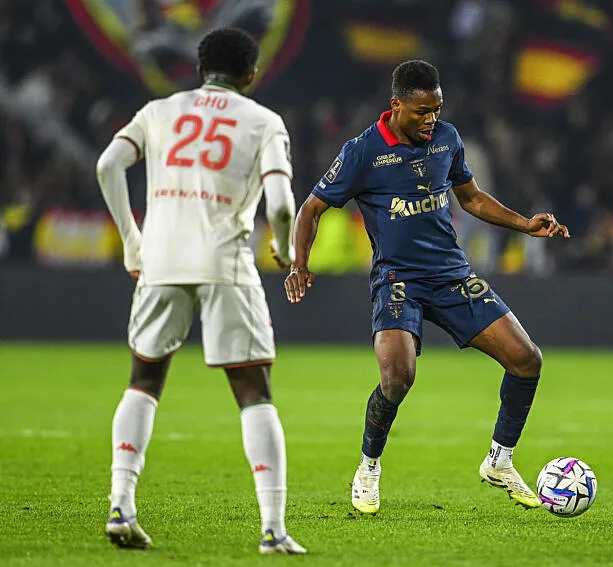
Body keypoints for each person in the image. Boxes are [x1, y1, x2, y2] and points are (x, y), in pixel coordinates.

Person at [285, 60, 570, 514]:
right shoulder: (363, 151)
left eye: (436, 109)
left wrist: (524, 225)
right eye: (422, 111)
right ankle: (368, 466)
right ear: (396, 105)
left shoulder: (446, 139)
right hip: (398, 279)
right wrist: (300, 264)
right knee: (398, 378)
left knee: (526, 359)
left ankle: (499, 460)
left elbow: (471, 198)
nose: (430, 119)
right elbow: (311, 209)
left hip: (451, 275)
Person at [95, 27, 305, 554]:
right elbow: (282, 204)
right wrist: (285, 248)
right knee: (254, 391)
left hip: (161, 258)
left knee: (144, 380)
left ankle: (121, 504)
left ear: (199, 69)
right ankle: (273, 529)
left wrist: (132, 241)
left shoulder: (159, 110)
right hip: (224, 260)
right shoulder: (263, 121)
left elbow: (108, 165)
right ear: (251, 74)